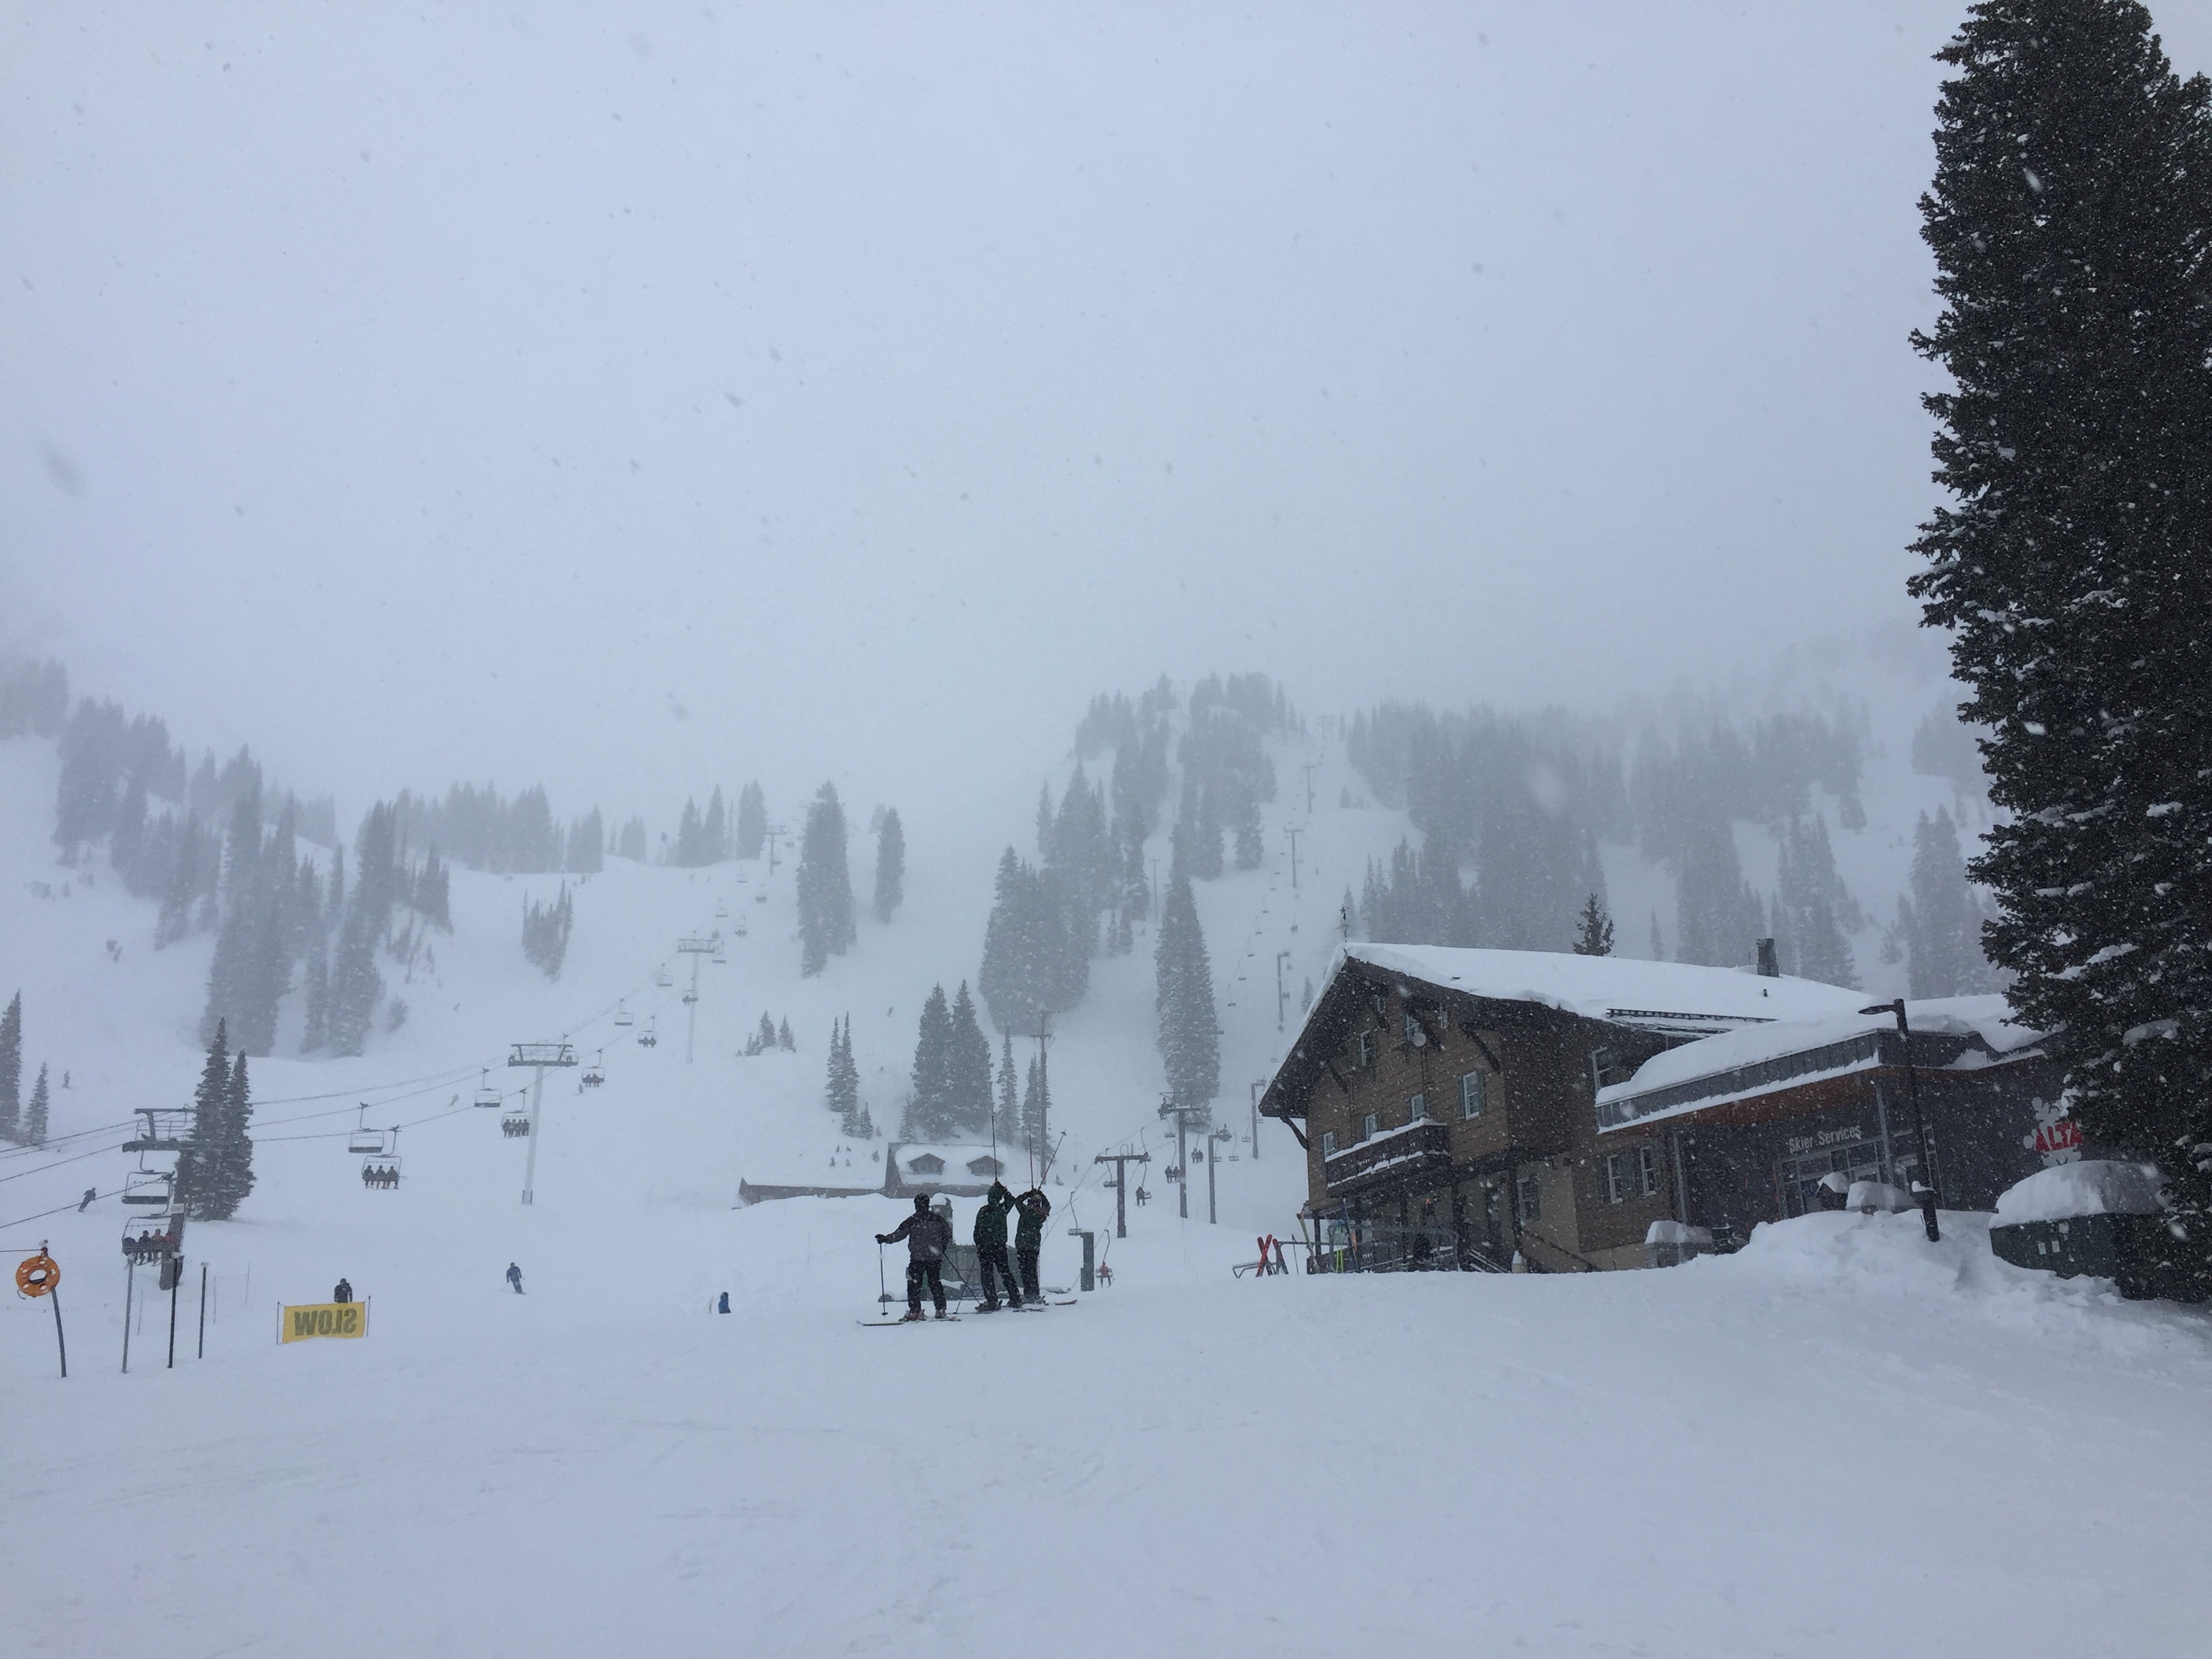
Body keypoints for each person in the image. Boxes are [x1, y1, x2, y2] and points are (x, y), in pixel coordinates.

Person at [876, 1192, 953, 1320]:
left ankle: (915, 1311)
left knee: (914, 1285)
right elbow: (947, 1235)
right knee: (935, 1284)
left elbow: (898, 1235)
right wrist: (941, 1248)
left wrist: (885, 1239)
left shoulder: (912, 1220)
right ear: (928, 1204)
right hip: (935, 1258)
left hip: (917, 1259)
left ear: (916, 1205)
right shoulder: (938, 1220)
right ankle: (940, 1309)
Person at [971, 1181, 1020, 1311]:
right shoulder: (1002, 1210)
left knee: (987, 1274)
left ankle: (991, 1300)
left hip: (985, 1248)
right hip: (999, 1247)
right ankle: (1015, 1297)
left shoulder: (983, 1211)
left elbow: (977, 1230)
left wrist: (979, 1244)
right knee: (1005, 1272)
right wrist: (1004, 1189)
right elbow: (1012, 1200)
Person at [1013, 1185, 1052, 1306]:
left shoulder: (1026, 1213)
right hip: (1034, 1246)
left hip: (1022, 1245)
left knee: (1025, 1271)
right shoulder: (1042, 1215)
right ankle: (1035, 1294)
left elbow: (1017, 1201)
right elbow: (1048, 1206)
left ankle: (1029, 1295)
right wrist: (1041, 1195)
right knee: (1032, 1270)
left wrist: (1029, 1193)